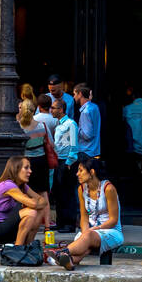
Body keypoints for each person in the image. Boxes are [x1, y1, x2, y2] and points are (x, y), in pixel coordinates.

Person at [57, 156, 123, 269]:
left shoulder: (108, 188)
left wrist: (90, 231)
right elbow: (84, 216)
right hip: (90, 232)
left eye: (81, 170)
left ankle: (62, 252)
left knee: (87, 237)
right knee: (85, 243)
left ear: (91, 172)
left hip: (111, 231)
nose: (77, 174)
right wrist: (85, 232)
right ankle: (70, 261)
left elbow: (113, 220)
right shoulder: (81, 189)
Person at [0, 155, 45, 246]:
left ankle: (28, 245)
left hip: (4, 227)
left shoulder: (22, 186)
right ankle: (18, 249)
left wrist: (36, 204)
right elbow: (34, 203)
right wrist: (34, 203)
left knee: (37, 211)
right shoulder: (8, 185)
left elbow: (43, 201)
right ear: (16, 169)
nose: (30, 171)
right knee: (31, 212)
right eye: (26, 168)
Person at [17, 99, 51, 229]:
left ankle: (27, 224)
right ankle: (47, 226)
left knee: (24, 193)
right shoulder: (42, 125)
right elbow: (51, 144)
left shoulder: (19, 127)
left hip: (26, 162)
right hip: (41, 161)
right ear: (34, 110)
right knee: (43, 194)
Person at [52, 97, 79, 231]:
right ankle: (61, 222)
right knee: (59, 193)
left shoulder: (71, 124)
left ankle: (70, 223)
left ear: (61, 110)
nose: (51, 110)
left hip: (67, 161)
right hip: (59, 160)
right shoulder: (59, 124)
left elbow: (74, 145)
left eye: (53, 108)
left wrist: (69, 162)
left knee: (68, 193)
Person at [74, 84, 101, 159]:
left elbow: (87, 135)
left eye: (75, 94)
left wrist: (75, 129)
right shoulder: (94, 107)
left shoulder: (86, 111)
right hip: (94, 150)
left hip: (86, 152)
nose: (74, 97)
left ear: (80, 94)